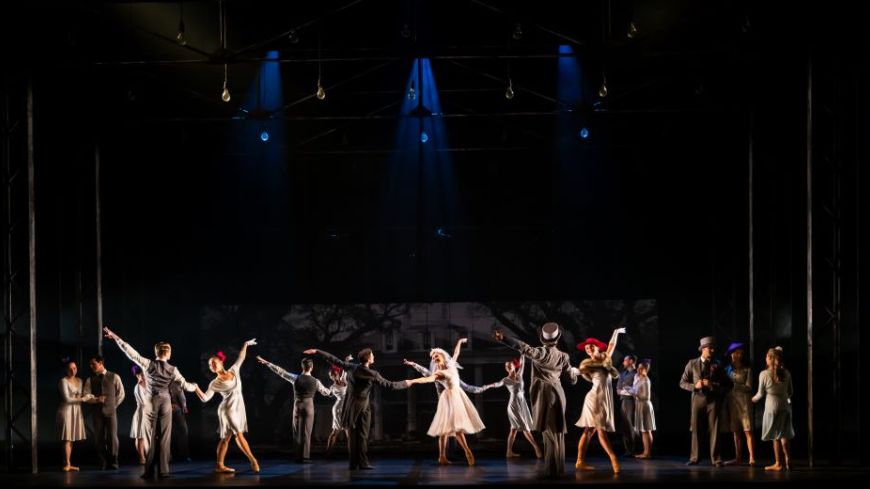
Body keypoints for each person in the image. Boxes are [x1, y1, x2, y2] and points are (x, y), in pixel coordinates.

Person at [103, 326, 199, 479]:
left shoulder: (148, 364)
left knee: (149, 436)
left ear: (156, 352)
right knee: (164, 436)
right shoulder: (173, 369)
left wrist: (116, 337)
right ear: (167, 353)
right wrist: (195, 386)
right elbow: (186, 386)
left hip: (151, 402)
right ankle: (163, 471)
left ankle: (149, 471)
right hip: (166, 402)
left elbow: (129, 351)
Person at [493, 323, 579, 479]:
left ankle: (552, 471)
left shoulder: (540, 353)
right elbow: (572, 380)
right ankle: (558, 469)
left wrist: (504, 338)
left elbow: (523, 347)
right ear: (557, 339)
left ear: (544, 340)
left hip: (545, 394)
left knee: (549, 433)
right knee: (558, 432)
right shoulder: (564, 356)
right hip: (559, 394)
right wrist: (574, 372)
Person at [303, 346, 410, 470]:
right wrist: (408, 382)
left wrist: (317, 351)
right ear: (369, 359)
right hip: (362, 407)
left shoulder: (352, 368)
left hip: (351, 406)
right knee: (362, 436)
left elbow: (334, 360)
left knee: (354, 436)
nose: (374, 357)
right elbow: (390, 385)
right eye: (372, 355)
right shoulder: (372, 373)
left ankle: (354, 463)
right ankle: (361, 463)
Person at [406, 339, 485, 466]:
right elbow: (427, 378)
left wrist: (459, 341)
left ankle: (464, 451)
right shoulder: (437, 373)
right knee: (445, 430)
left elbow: (456, 353)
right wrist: (412, 381)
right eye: (432, 357)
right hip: (447, 399)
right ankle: (443, 456)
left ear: (442, 356)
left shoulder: (451, 365)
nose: (434, 358)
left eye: (436, 355)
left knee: (457, 428)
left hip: (457, 397)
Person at [195, 340, 259, 473]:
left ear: (221, 362)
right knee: (238, 434)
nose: (211, 365)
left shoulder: (234, 370)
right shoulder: (214, 383)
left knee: (226, 438)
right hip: (227, 409)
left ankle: (219, 465)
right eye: (209, 365)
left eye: (213, 362)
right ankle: (253, 460)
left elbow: (241, 357)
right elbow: (205, 398)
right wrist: (196, 388)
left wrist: (245, 344)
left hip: (237, 407)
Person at [257, 355, 332, 463]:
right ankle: (305, 456)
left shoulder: (295, 378)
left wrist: (268, 363)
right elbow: (325, 392)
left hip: (298, 405)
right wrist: (333, 391)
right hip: (309, 405)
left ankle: (297, 456)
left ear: (302, 367)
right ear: (312, 367)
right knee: (307, 431)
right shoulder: (316, 381)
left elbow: (281, 372)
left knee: (297, 430)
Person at [574, 328, 626, 474]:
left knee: (589, 431)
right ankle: (614, 459)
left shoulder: (605, 359)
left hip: (603, 397)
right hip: (594, 398)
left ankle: (580, 461)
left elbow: (611, 346)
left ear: (597, 347)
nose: (588, 349)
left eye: (591, 346)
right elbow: (579, 371)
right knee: (600, 431)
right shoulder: (587, 363)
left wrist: (615, 332)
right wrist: (571, 371)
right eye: (586, 348)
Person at [679, 336, 733, 467]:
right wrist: (694, 386)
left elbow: (729, 385)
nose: (712, 350)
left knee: (715, 430)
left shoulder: (718, 365)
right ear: (703, 349)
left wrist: (712, 386)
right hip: (697, 400)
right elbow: (682, 383)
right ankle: (694, 457)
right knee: (696, 430)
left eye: (713, 348)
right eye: (710, 348)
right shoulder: (692, 363)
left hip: (713, 401)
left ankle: (716, 459)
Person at [480, 356, 543, 458]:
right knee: (525, 428)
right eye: (507, 367)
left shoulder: (519, 375)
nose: (509, 367)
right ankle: (536, 447)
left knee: (513, 430)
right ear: (506, 369)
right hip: (513, 406)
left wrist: (522, 352)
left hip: (522, 404)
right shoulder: (506, 380)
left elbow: (522, 363)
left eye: (510, 366)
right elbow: (497, 384)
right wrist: (487, 386)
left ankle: (509, 452)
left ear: (514, 366)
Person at [752, 347, 794, 471]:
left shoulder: (764, 374)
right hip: (785, 407)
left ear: (770, 358)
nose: (765, 358)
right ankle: (788, 460)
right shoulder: (787, 373)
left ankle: (778, 463)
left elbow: (760, 394)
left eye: (766, 356)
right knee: (784, 435)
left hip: (771, 407)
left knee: (775, 436)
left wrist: (752, 399)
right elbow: (791, 392)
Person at [83, 355, 125, 470]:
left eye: (93, 364)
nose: (91, 366)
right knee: (98, 437)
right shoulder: (90, 380)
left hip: (111, 412)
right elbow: (85, 396)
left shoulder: (114, 376)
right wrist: (96, 399)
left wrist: (113, 405)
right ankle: (102, 461)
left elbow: (121, 394)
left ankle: (114, 460)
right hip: (97, 413)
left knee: (112, 436)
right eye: (90, 364)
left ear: (101, 363)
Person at [724, 342, 756, 466]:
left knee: (748, 431)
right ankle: (738, 458)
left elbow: (748, 387)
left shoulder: (747, 369)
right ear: (731, 354)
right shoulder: (727, 369)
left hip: (744, 404)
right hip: (732, 403)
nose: (738, 355)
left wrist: (734, 385)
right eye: (736, 353)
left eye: (740, 353)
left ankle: (752, 457)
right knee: (736, 432)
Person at [57, 358, 91, 471]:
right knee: (67, 438)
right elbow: (67, 399)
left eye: (75, 368)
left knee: (71, 438)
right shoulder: (63, 381)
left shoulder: (80, 381)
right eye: (70, 368)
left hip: (76, 411)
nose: (73, 370)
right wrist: (82, 398)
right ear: (66, 370)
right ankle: (66, 463)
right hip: (66, 411)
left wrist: (89, 398)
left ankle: (68, 462)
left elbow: (82, 396)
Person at [630, 359, 656, 459]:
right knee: (643, 430)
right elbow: (634, 389)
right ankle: (646, 452)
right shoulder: (637, 377)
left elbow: (646, 396)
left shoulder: (646, 380)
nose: (639, 369)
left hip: (644, 405)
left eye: (641, 368)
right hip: (639, 405)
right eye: (638, 367)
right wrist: (631, 391)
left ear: (646, 369)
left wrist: (635, 393)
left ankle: (647, 453)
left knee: (646, 430)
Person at [615, 354, 638, 457]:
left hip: (632, 402)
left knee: (631, 425)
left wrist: (627, 391)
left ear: (631, 361)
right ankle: (628, 450)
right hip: (624, 401)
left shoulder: (637, 373)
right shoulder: (623, 374)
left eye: (625, 360)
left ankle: (634, 450)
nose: (623, 362)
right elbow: (618, 390)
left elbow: (636, 389)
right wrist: (625, 391)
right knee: (625, 426)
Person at [326, 362, 350, 456]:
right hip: (339, 408)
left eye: (334, 374)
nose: (333, 376)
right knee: (340, 431)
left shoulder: (343, 379)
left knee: (346, 431)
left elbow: (345, 371)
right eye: (331, 375)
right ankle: (328, 452)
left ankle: (352, 453)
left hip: (344, 407)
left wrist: (347, 361)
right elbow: (328, 393)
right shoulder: (333, 387)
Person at [130, 365, 152, 465]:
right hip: (141, 412)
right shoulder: (137, 387)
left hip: (149, 412)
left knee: (148, 436)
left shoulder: (149, 385)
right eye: (139, 375)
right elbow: (143, 402)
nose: (142, 377)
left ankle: (149, 455)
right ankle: (142, 457)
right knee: (140, 436)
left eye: (143, 374)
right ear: (136, 376)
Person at [169, 381, 191, 462]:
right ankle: (168, 455)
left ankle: (184, 454)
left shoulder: (176, 384)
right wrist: (168, 405)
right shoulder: (161, 382)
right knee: (167, 434)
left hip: (178, 410)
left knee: (184, 431)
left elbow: (182, 396)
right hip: (165, 410)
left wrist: (184, 406)